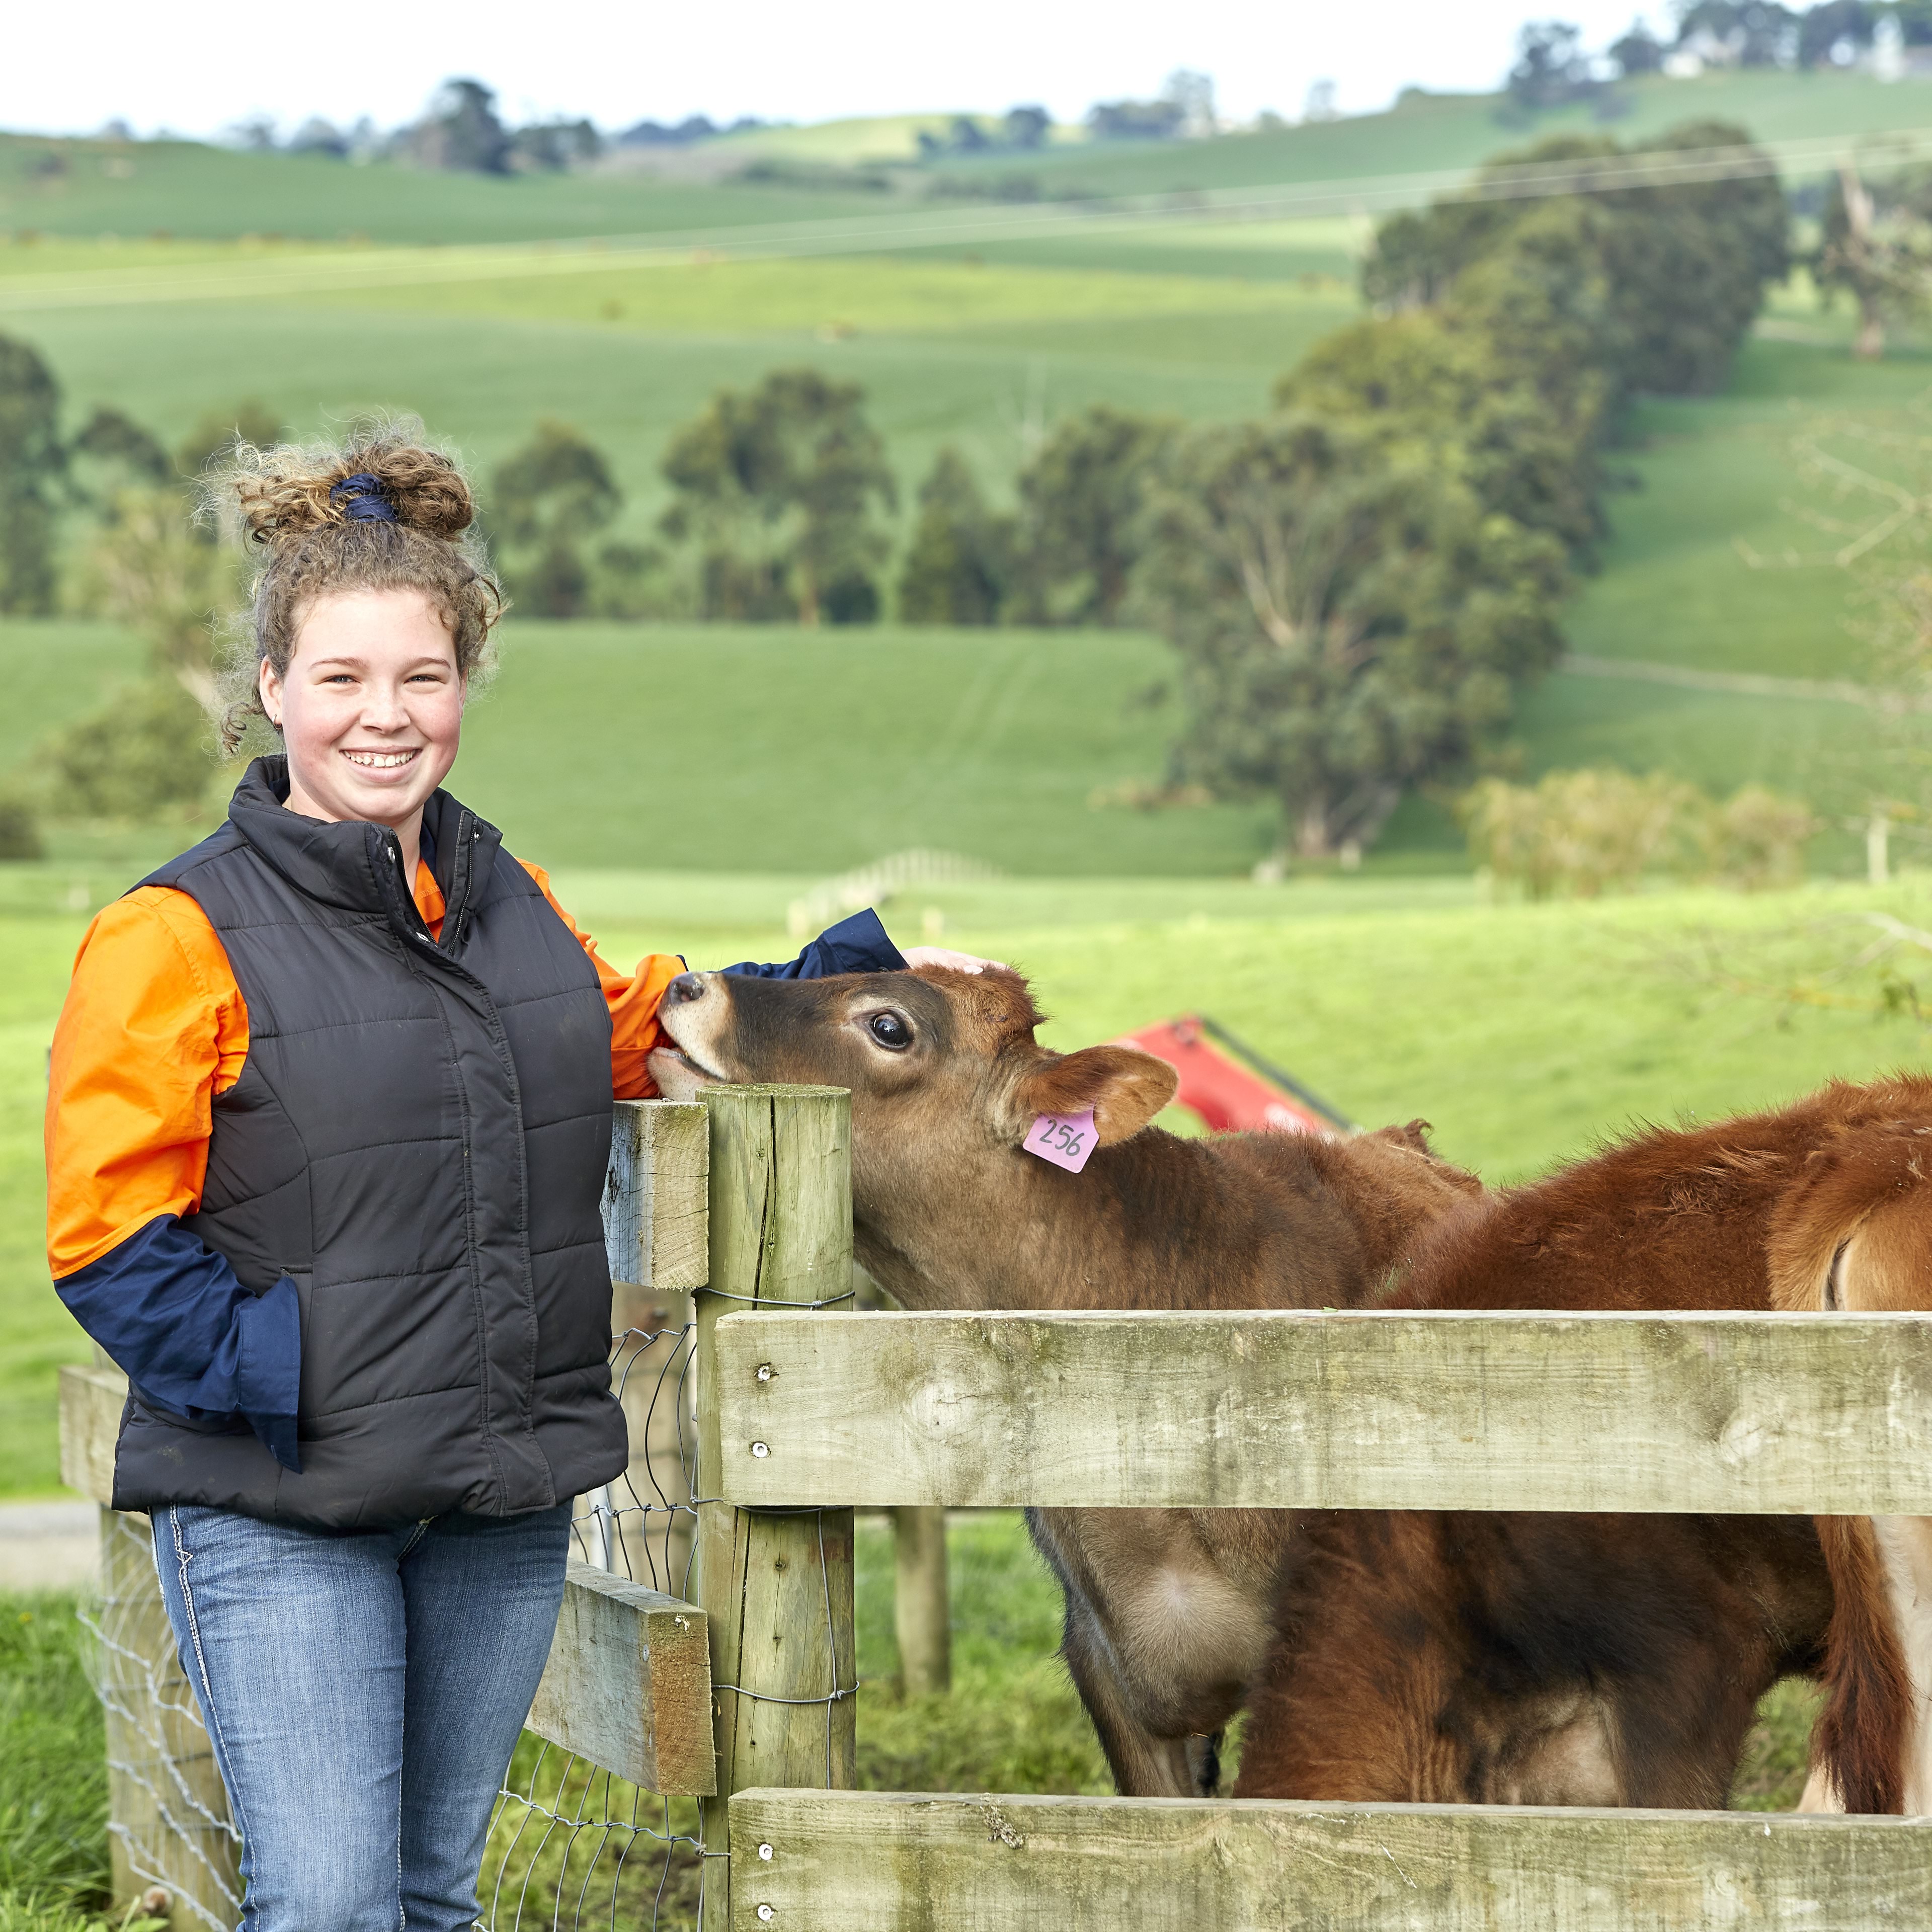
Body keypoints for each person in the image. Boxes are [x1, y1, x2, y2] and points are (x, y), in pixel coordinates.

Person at [43, 422, 981, 1930]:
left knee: (430, 1898)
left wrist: (879, 987)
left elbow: (643, 1020)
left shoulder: (506, 903)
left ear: (465, 684)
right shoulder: (168, 937)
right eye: (341, 680)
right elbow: (108, 1247)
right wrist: (300, 1379)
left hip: (496, 1501)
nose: (384, 718)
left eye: (422, 676)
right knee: (335, 1906)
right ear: (270, 693)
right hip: (288, 1510)